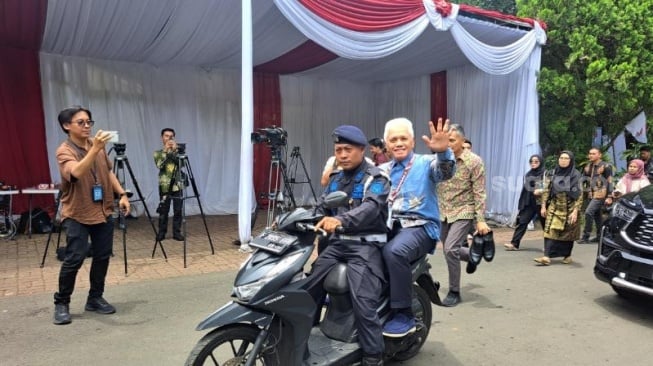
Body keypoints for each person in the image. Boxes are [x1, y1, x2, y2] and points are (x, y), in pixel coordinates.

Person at [303, 125, 390, 366]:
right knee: (308, 289)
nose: (342, 155)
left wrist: (339, 220)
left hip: (366, 246)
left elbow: (370, 208)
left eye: (347, 149)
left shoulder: (377, 178)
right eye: (338, 150)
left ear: (361, 150)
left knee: (362, 299)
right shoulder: (336, 178)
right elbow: (322, 207)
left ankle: (374, 355)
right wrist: (297, 220)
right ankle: (303, 339)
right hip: (338, 245)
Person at [53, 106, 131, 325]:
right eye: (81, 122)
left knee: (103, 256)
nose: (87, 126)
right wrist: (94, 149)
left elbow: (107, 172)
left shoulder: (95, 147)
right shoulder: (64, 150)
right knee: (74, 258)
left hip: (103, 209)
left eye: (89, 122)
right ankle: (62, 302)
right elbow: (76, 172)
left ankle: (95, 298)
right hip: (77, 213)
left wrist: (122, 194)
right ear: (67, 126)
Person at [381, 117, 455, 336]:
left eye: (403, 138)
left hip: (421, 227)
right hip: (388, 226)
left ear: (413, 142)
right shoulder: (382, 169)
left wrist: (442, 152)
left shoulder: (425, 163)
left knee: (395, 252)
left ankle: (404, 314)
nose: (399, 143)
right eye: (393, 139)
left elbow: (445, 172)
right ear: (387, 144)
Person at [437, 124, 490, 307]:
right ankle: (473, 254)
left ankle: (454, 291)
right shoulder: (440, 159)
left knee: (450, 249)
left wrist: (480, 220)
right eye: (446, 140)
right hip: (443, 210)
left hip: (464, 210)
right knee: (447, 250)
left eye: (452, 140)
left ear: (462, 140)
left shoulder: (474, 161)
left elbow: (479, 191)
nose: (449, 144)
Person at [534, 151, 583, 266]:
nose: (563, 160)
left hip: (570, 207)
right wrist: (543, 206)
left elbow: (580, 195)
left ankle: (567, 255)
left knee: (568, 233)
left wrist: (575, 211)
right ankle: (546, 256)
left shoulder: (576, 175)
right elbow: (546, 190)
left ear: (570, 161)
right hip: (555, 206)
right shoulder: (552, 173)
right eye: (561, 158)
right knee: (550, 229)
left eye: (566, 158)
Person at [504, 154, 546, 251]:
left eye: (536, 161)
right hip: (529, 202)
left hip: (541, 203)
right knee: (522, 222)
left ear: (540, 162)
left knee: (545, 225)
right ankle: (514, 244)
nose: (533, 163)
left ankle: (549, 247)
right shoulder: (528, 174)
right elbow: (526, 190)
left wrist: (540, 190)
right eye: (531, 161)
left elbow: (547, 188)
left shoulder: (544, 174)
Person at [154, 128, 184, 241]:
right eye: (166, 136)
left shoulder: (179, 151)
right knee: (164, 210)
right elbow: (159, 165)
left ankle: (177, 232)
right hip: (164, 186)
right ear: (162, 138)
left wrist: (176, 151)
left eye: (171, 136)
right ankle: (161, 232)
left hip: (177, 184)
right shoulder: (158, 153)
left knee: (178, 210)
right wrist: (166, 151)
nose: (169, 138)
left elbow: (182, 164)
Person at [578, 147, 613, 244]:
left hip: (601, 194)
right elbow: (584, 180)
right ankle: (600, 237)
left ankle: (585, 236)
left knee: (589, 212)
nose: (591, 155)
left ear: (599, 155)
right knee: (597, 216)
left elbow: (610, 181)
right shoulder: (587, 166)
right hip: (590, 194)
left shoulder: (606, 166)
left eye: (593, 153)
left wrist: (610, 196)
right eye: (590, 153)